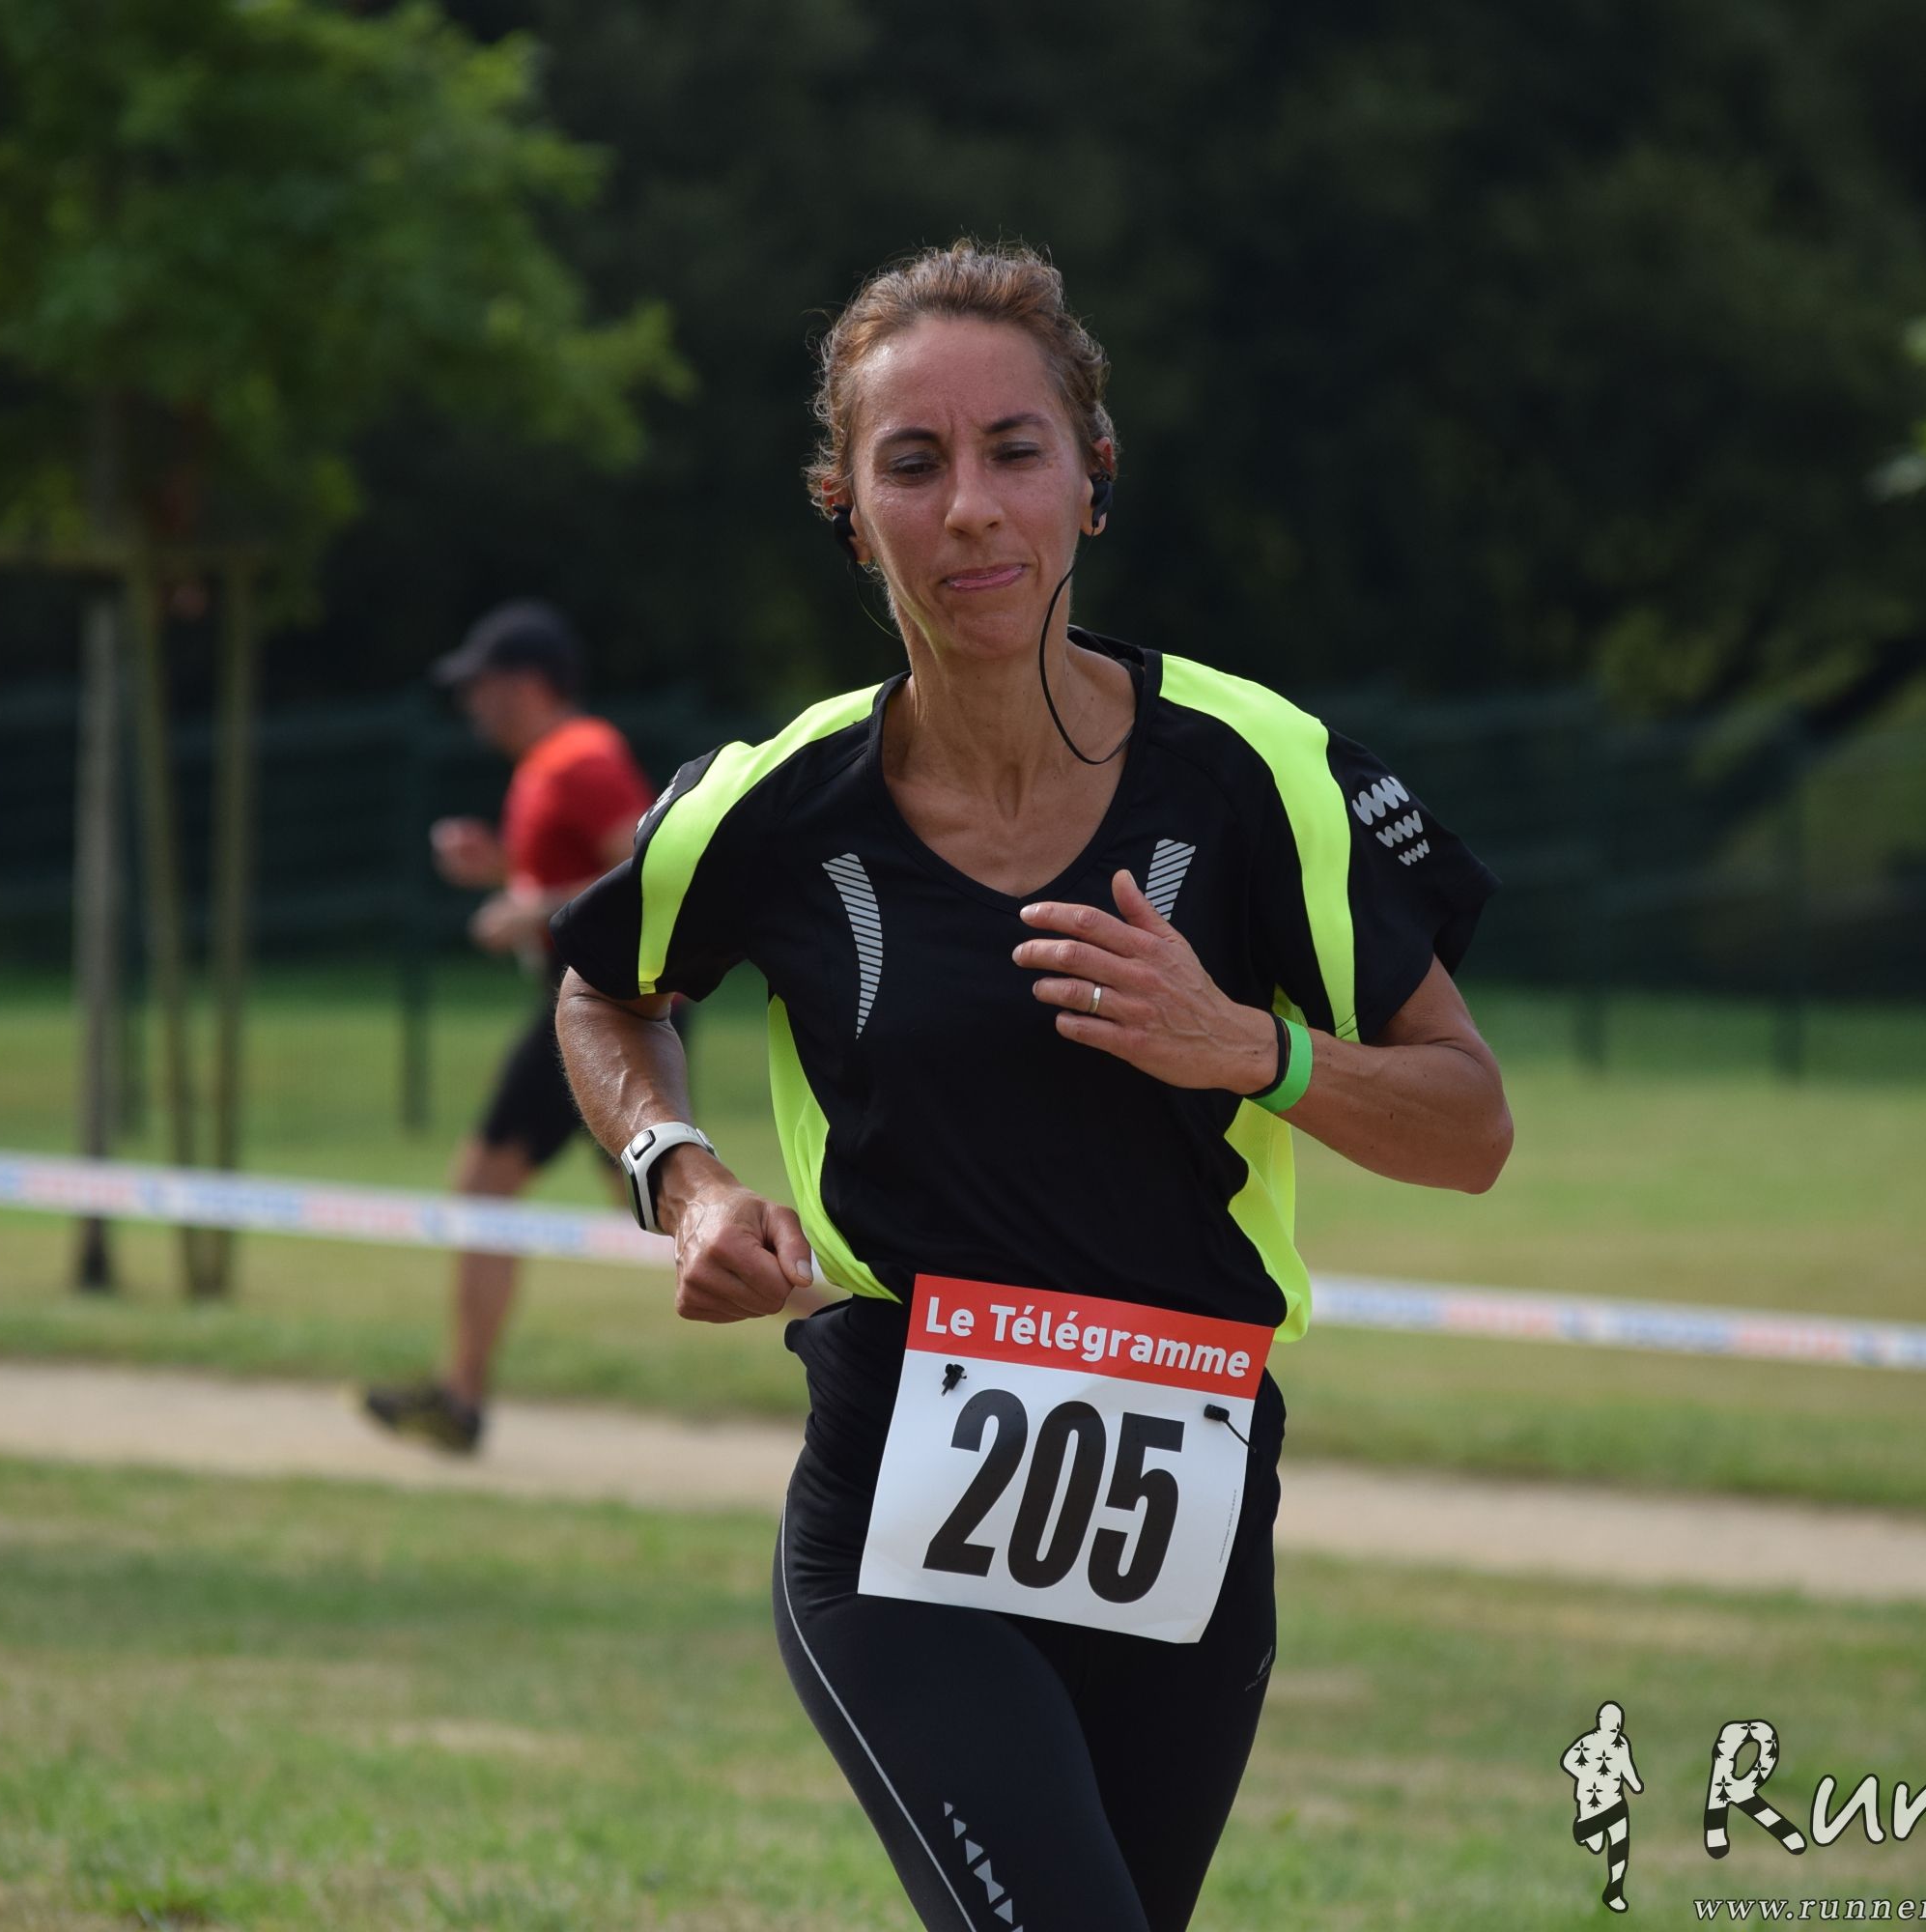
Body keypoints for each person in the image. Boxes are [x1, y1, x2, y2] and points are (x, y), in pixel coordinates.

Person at [548, 240, 1513, 1931]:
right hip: (895, 1486)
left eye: (1015, 450)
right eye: (911, 464)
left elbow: (1469, 1125)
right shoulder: (775, 801)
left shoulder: (1258, 774)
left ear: (1093, 478)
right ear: (849, 511)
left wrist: (1252, 1048)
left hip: (1190, 1471)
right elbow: (603, 989)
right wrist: (678, 1178)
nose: (971, 508)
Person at [361, 598, 660, 1454]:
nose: (471, 704)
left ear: (527, 686)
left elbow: (650, 869)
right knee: (674, 1213)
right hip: (590, 1005)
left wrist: (531, 904)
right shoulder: (548, 765)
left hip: (601, 1008)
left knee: (489, 1186)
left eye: (481, 686)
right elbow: (582, 879)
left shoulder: (582, 758)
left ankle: (460, 1399)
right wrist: (501, 871)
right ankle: (856, 1328)